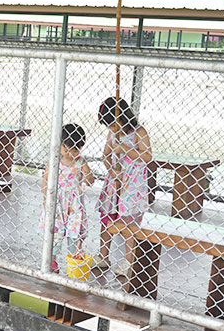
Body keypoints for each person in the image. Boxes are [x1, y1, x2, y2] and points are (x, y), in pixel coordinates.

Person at [94, 97, 152, 277]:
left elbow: (148, 157)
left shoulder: (138, 132)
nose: (111, 128)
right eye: (109, 126)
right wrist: (113, 172)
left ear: (123, 117)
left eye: (113, 124)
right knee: (107, 220)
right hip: (115, 183)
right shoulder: (112, 134)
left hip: (132, 186)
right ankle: (104, 256)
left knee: (128, 223)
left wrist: (125, 149)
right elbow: (105, 155)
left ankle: (130, 261)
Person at [40, 123, 94, 274]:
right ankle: (52, 260)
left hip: (74, 203)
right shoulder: (55, 160)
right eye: (66, 149)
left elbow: (90, 181)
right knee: (54, 232)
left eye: (75, 149)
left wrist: (87, 174)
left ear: (81, 147)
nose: (70, 153)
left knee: (74, 231)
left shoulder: (81, 162)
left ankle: (74, 258)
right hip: (57, 201)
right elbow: (45, 179)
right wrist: (46, 199)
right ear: (60, 145)